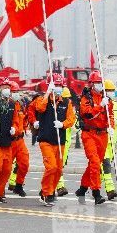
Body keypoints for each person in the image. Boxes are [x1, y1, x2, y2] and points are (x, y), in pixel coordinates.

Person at [34, 77, 76, 206]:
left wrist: (63, 124)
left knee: (58, 169)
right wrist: (47, 93)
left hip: (59, 141)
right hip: (46, 140)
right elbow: (39, 108)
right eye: (56, 85)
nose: (58, 88)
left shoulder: (66, 102)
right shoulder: (42, 99)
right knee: (51, 167)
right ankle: (47, 193)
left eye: (60, 86)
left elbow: (71, 119)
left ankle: (49, 191)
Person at [75, 71, 113, 205]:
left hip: (103, 135)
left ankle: (82, 188)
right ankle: (96, 193)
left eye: (100, 83)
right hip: (89, 134)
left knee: (94, 163)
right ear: (91, 84)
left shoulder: (106, 98)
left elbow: (110, 115)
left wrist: (111, 126)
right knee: (95, 162)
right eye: (97, 82)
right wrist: (100, 106)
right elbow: (87, 114)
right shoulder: (86, 98)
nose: (99, 85)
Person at [101, 80, 117, 200]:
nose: (111, 92)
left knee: (104, 166)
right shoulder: (101, 104)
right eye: (108, 90)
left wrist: (116, 121)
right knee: (106, 164)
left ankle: (93, 186)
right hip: (102, 140)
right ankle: (110, 190)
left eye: (112, 90)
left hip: (112, 141)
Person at [8, 81, 29, 197]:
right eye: (13, 91)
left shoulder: (21, 104)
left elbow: (24, 118)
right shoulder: (6, 105)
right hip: (9, 140)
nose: (16, 94)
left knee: (24, 164)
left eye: (17, 91)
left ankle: (19, 186)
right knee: (4, 168)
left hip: (20, 140)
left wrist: (26, 128)